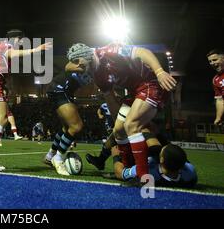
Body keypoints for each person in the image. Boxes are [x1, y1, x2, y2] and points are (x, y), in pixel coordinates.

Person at [66, 42, 177, 180]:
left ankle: (143, 177)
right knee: (118, 130)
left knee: (131, 125)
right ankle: (127, 170)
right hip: (134, 92)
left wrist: (159, 72)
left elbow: (142, 52)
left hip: (151, 83)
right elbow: (111, 100)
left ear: (86, 56)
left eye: (78, 62)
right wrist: (118, 122)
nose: (78, 67)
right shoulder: (97, 77)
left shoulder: (109, 51)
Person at [0, 29, 52, 171]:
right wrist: (36, 49)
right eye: (20, 40)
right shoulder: (7, 46)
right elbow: (13, 53)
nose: (20, 43)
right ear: (14, 39)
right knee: (2, 118)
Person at [43, 68, 90, 175]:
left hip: (63, 91)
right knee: (76, 126)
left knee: (66, 128)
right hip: (60, 89)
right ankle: (58, 158)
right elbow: (69, 66)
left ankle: (50, 156)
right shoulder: (89, 61)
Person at [112, 143, 197, 188]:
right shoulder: (190, 172)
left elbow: (120, 173)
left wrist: (116, 157)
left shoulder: (147, 171)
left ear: (162, 159)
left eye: (161, 151)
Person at [206, 49, 224, 127]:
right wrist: (218, 117)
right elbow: (220, 100)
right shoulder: (215, 80)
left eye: (215, 60)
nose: (212, 63)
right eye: (210, 61)